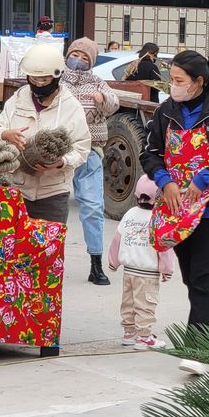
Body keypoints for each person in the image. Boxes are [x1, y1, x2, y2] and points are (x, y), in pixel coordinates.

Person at [140, 50, 209, 376]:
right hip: (176, 208)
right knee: (192, 278)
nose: (173, 86)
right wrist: (165, 181)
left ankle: (199, 348)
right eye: (171, 80)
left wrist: (205, 177)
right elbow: (151, 153)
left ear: (198, 82)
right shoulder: (165, 112)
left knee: (203, 276)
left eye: (179, 81)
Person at [0, 45, 91, 224]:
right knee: (16, 248)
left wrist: (61, 162)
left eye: (44, 80)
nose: (38, 84)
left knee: (48, 248)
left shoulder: (71, 107)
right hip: (17, 189)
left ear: (57, 76)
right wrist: (5, 134)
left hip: (53, 193)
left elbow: (82, 148)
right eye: (33, 79)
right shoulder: (17, 100)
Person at [62, 38, 120, 286]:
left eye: (85, 57)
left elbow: (114, 102)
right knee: (54, 208)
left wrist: (101, 99)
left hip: (89, 151)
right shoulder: (57, 81)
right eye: (75, 54)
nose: (79, 60)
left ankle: (95, 264)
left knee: (93, 207)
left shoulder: (98, 82)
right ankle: (47, 261)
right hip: (58, 152)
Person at [107, 175, 175, 350]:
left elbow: (117, 239)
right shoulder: (158, 218)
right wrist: (167, 269)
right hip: (147, 272)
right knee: (146, 304)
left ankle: (129, 333)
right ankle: (144, 337)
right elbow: (164, 247)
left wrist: (113, 261)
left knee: (128, 302)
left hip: (129, 270)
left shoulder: (130, 214)